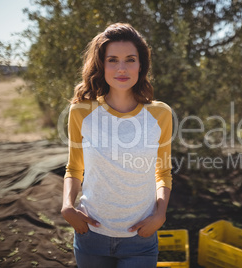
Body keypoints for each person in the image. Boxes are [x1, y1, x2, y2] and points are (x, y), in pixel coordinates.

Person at [61, 23, 172, 268]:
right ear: (102, 64)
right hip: (90, 235)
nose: (121, 68)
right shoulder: (81, 111)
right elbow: (74, 167)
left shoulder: (160, 114)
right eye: (113, 60)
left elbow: (162, 172)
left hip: (140, 239)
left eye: (130, 59)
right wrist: (68, 206)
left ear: (141, 65)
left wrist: (160, 214)